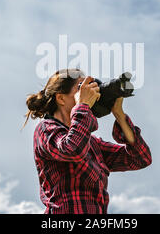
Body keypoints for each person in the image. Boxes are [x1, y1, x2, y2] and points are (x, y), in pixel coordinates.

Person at [23, 68, 152, 214]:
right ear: (61, 98)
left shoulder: (92, 144)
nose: (89, 91)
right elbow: (73, 149)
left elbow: (140, 158)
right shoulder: (46, 130)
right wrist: (83, 105)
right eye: (81, 87)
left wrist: (119, 114)